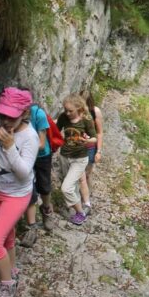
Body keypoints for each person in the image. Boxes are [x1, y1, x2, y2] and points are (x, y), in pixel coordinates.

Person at [0, 87, 38, 297]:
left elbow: (24, 172)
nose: (5, 120)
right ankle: (12, 271)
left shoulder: (29, 137)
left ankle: (7, 285)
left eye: (11, 116)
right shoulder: (2, 123)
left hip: (16, 195)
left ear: (24, 113)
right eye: (2, 114)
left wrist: (9, 147)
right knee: (7, 237)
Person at [57, 94, 96, 225]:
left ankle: (81, 213)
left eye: (70, 111)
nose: (67, 113)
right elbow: (56, 132)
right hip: (64, 156)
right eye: (65, 110)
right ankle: (76, 207)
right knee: (68, 183)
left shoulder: (86, 119)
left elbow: (94, 138)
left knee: (66, 188)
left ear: (79, 108)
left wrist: (87, 141)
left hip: (80, 159)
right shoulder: (63, 117)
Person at [21, 102, 55, 248]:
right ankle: (32, 226)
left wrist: (23, 145)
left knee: (44, 187)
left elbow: (41, 143)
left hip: (42, 155)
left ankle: (46, 209)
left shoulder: (38, 114)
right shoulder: (16, 115)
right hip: (26, 155)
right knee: (29, 188)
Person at [79, 90, 103, 215]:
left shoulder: (95, 112)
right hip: (76, 148)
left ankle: (85, 201)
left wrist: (98, 151)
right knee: (79, 174)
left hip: (90, 148)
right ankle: (82, 200)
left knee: (86, 174)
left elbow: (99, 132)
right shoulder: (75, 110)